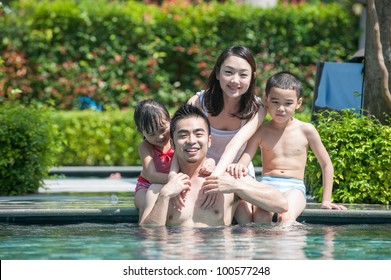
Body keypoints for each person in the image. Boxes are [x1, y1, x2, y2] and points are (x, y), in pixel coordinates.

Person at [139, 104, 288, 227]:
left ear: (209, 140)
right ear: (172, 142)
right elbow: (147, 235)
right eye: (183, 135)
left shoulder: (227, 180)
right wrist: (165, 196)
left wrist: (238, 187)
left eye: (198, 134)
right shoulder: (159, 190)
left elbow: (281, 204)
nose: (191, 140)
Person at [227, 71, 347, 224]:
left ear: (298, 103)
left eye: (288, 103)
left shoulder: (306, 130)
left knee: (286, 217)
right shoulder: (261, 131)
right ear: (266, 100)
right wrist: (239, 167)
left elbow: (326, 164)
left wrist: (326, 200)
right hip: (267, 184)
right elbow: (245, 158)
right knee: (261, 217)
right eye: (275, 102)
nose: (281, 108)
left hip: (294, 187)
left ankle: (289, 247)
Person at [187, 45, 266, 219]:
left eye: (243, 75)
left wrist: (216, 179)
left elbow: (236, 143)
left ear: (252, 77)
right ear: (217, 73)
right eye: (228, 72)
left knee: (250, 215)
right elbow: (184, 141)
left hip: (237, 171)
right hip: (203, 168)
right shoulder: (198, 103)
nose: (235, 80)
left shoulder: (256, 109)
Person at [133, 99, 214, 219]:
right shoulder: (145, 146)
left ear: (170, 119)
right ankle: (144, 232)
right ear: (141, 132)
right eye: (151, 134)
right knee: (146, 204)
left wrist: (211, 162)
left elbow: (198, 159)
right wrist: (179, 181)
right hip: (147, 185)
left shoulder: (177, 140)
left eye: (162, 130)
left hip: (173, 181)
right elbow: (151, 175)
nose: (159, 137)